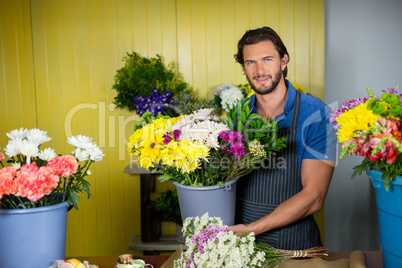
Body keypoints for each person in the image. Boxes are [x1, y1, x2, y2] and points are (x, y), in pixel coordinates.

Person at [229, 26, 337, 250]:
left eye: (267, 59)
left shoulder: (316, 115)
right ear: (244, 68)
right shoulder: (239, 114)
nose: (260, 70)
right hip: (242, 246)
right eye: (250, 62)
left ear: (284, 61)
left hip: (294, 247)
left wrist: (252, 229)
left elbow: (314, 196)